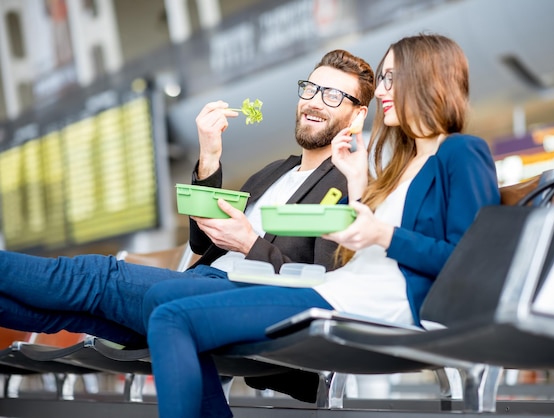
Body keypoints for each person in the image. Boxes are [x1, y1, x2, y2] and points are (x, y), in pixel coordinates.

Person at [142, 33, 501, 418]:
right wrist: (358, 186)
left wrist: (381, 233)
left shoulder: (462, 151)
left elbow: (469, 262)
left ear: (427, 79)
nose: (381, 90)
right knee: (173, 314)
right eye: (382, 78)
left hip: (371, 304)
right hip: (340, 290)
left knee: (173, 317)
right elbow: (369, 246)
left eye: (392, 78)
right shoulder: (402, 164)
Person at [0, 49, 375, 395]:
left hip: (242, 301)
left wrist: (250, 245)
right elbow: (203, 243)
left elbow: (327, 287)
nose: (313, 100)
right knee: (72, 310)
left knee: (95, 276)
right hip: (198, 283)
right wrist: (209, 156)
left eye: (333, 95)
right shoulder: (274, 172)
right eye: (311, 88)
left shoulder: (350, 183)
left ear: (357, 114)